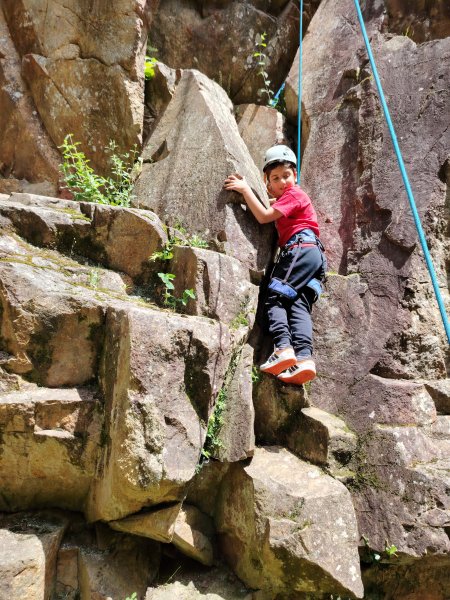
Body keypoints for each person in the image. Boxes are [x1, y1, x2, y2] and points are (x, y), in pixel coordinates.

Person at [224, 144, 326, 385]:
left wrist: (245, 190)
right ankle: (304, 359)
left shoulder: (295, 194)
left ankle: (283, 348)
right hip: (314, 257)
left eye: (286, 175)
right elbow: (271, 204)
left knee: (275, 298)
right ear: (268, 182)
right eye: (276, 178)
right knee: (298, 306)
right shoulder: (288, 198)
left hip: (300, 250)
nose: (282, 182)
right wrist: (262, 195)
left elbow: (263, 216)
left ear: (295, 175)